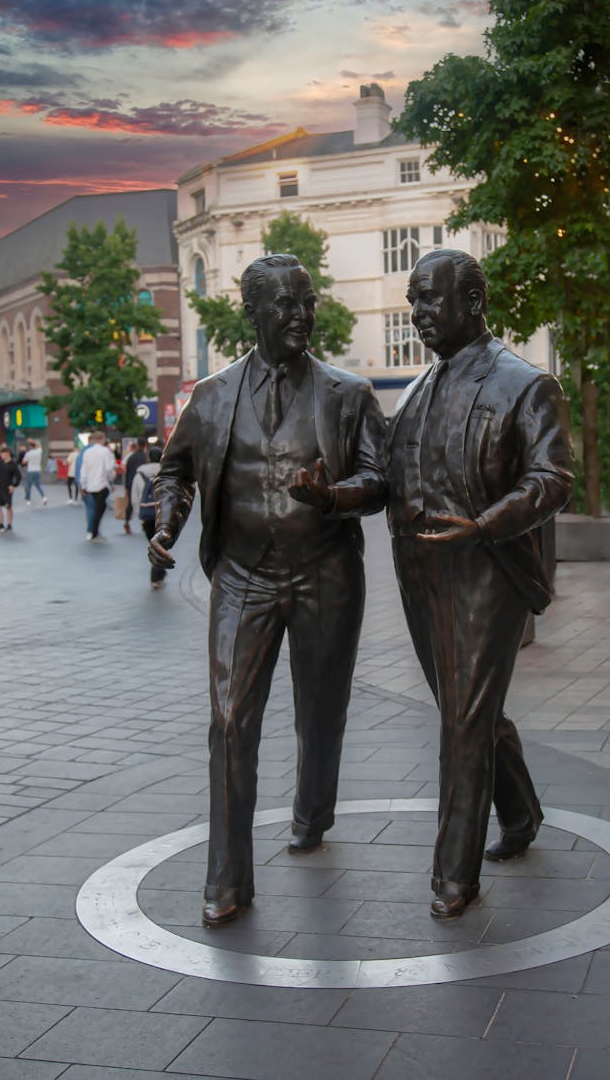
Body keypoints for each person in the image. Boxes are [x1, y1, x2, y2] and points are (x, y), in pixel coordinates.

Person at [149, 253, 387, 927]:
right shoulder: (212, 395)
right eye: (285, 303)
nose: (301, 314)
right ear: (250, 313)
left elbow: (381, 479)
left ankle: (313, 812)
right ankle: (227, 879)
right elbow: (176, 471)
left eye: (307, 300)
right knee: (228, 720)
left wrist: (334, 494)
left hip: (327, 572)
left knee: (320, 712)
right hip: (244, 575)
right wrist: (167, 523)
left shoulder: (348, 394)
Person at [387, 249, 573, 920]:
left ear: (472, 300)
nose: (418, 315)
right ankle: (520, 814)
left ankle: (452, 874)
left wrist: (486, 523)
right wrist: (329, 493)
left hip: (489, 568)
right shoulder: (415, 390)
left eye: (429, 300)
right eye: (413, 302)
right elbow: (386, 475)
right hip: (421, 571)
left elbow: (552, 479)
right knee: (470, 710)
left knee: (463, 719)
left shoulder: (526, 385)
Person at [131, 445, 164, 587]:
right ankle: (156, 576)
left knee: (154, 543)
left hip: (147, 516)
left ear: (149, 458)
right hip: (163, 515)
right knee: (161, 545)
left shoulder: (140, 475)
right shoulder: (166, 471)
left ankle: (159, 573)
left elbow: (135, 496)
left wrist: (139, 513)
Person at [79, 430, 116, 542]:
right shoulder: (105, 451)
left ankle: (93, 532)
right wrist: (111, 478)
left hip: (90, 485)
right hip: (102, 484)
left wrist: (83, 484)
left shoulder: (87, 452)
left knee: (96, 508)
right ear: (102, 439)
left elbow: (84, 470)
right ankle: (94, 532)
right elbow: (109, 468)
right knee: (100, 509)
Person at [0, 446, 21, 532]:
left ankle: (9, 524)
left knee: (8, 507)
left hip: (8, 488)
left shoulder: (12, 464)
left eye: (2, 454)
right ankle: (1, 524)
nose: (1, 456)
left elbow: (18, 476)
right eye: (0, 454)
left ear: (7, 454)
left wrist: (13, 485)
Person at [123, 436, 148, 534]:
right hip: (143, 483)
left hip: (131, 483)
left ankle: (126, 522)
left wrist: (126, 487)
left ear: (137, 445)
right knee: (144, 502)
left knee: (130, 504)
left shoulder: (131, 457)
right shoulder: (145, 457)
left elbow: (127, 472)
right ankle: (144, 523)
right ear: (145, 446)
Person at [23, 439, 47, 505]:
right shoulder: (38, 452)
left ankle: (28, 500)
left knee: (28, 486)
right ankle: (43, 497)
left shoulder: (28, 453)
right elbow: (39, 446)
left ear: (30, 447)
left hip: (30, 470)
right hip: (37, 470)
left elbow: (24, 462)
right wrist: (33, 441)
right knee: (38, 485)